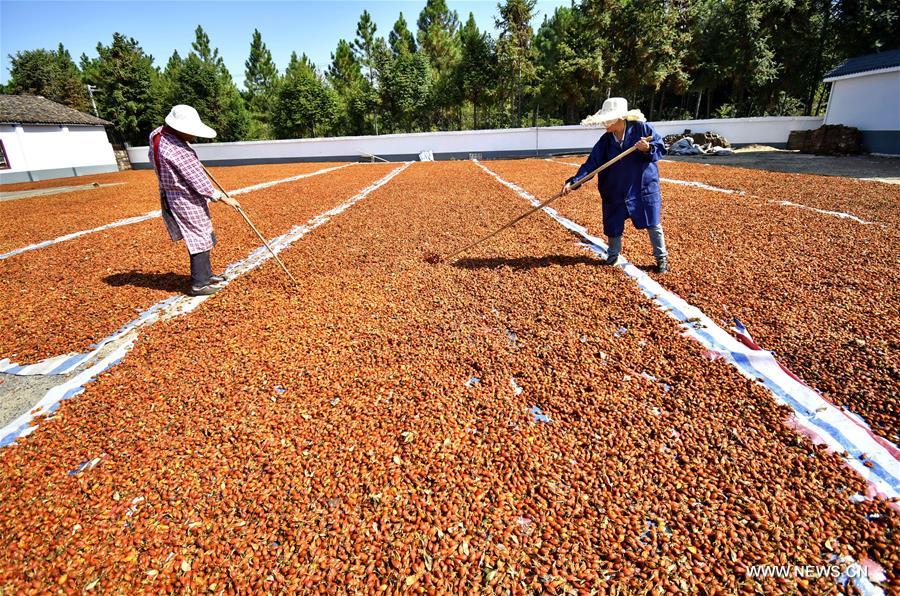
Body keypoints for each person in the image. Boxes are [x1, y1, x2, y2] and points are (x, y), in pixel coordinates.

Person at [562, 97, 669, 273]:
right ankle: (613, 256)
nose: (604, 122)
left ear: (619, 118)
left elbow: (660, 147)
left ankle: (661, 257)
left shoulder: (642, 129)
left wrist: (647, 148)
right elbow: (592, 163)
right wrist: (574, 181)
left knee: (652, 222)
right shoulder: (606, 140)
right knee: (613, 222)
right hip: (614, 188)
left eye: (607, 118)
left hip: (641, 187)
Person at [149, 104, 240, 296]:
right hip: (184, 197)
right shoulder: (178, 151)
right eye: (190, 133)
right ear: (180, 130)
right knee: (198, 236)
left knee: (203, 233)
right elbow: (198, 182)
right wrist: (224, 198)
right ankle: (199, 283)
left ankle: (206, 275)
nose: (194, 136)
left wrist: (186, 145)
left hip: (171, 194)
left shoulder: (158, 135)